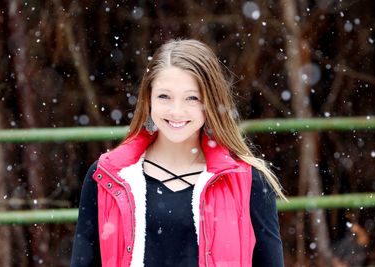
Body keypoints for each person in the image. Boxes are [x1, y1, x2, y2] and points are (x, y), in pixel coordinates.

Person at [71, 39, 286, 267]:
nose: (176, 111)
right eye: (164, 96)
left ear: (210, 102)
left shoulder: (249, 181)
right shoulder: (106, 177)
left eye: (191, 98)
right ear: (148, 99)